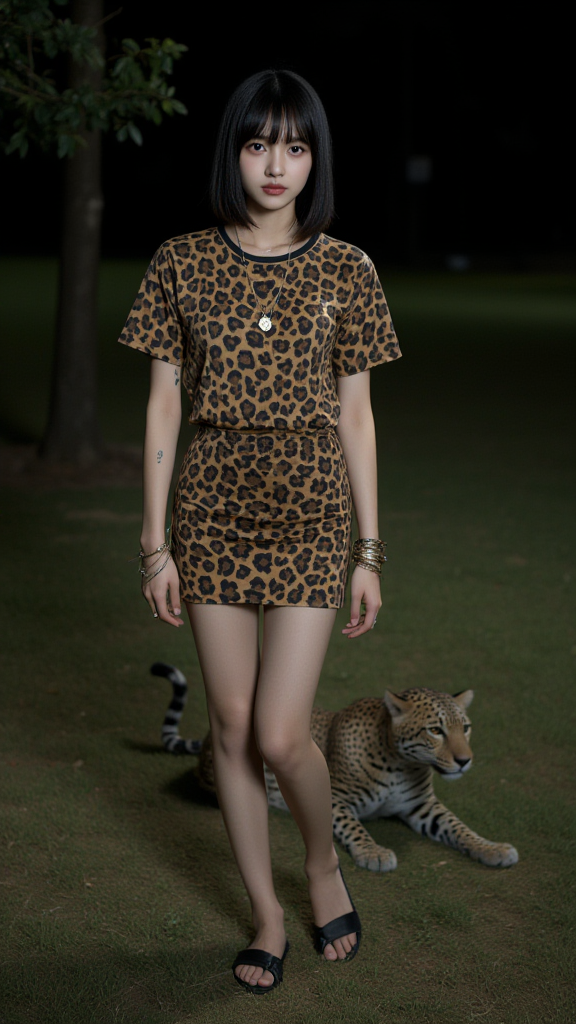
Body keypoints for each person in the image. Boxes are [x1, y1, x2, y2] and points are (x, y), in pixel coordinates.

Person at [119, 68, 401, 994]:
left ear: (315, 159)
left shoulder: (349, 268)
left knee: (282, 734)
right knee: (233, 727)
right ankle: (268, 914)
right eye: (257, 144)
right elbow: (163, 407)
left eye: (295, 147)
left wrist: (369, 551)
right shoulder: (180, 262)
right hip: (210, 516)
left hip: (313, 519)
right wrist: (154, 543)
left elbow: (357, 417)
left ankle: (320, 866)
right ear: (232, 152)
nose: (276, 166)